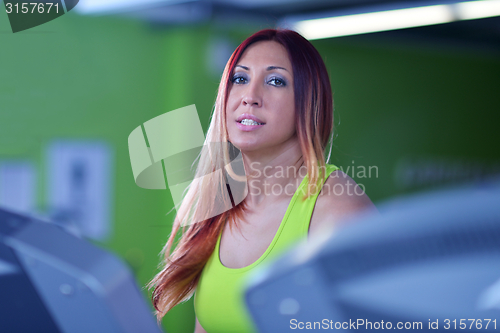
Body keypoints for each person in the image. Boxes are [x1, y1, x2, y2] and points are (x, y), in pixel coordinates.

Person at [148, 28, 377, 333]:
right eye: (239, 79)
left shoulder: (338, 208)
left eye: (275, 81)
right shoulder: (218, 203)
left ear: (308, 101)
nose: (250, 97)